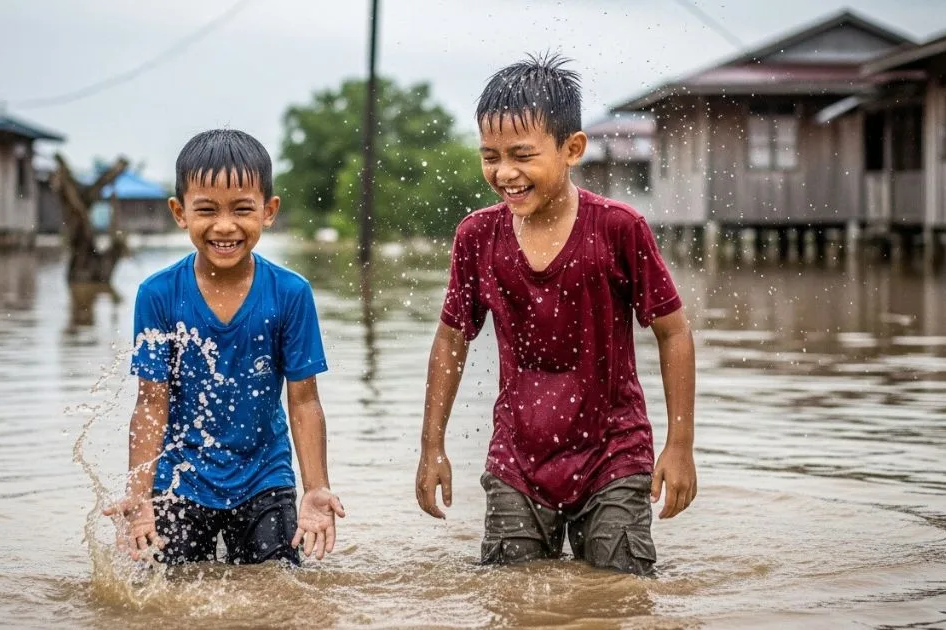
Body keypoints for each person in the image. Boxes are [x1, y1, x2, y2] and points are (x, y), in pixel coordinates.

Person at [415, 55, 697, 576]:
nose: (504, 173)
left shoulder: (618, 228)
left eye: (522, 155)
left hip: (614, 451)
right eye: (490, 157)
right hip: (517, 458)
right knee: (511, 593)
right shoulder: (477, 237)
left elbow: (673, 331)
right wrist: (432, 447)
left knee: (619, 593)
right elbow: (452, 340)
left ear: (572, 149)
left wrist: (680, 447)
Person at [104, 129, 345, 567]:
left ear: (268, 211)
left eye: (242, 209)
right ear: (180, 213)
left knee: (277, 589)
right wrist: (139, 494)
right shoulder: (157, 295)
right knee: (171, 593)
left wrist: (315, 488)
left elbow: (305, 400)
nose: (225, 226)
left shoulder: (290, 293)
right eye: (207, 210)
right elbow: (150, 404)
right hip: (181, 478)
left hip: (264, 476)